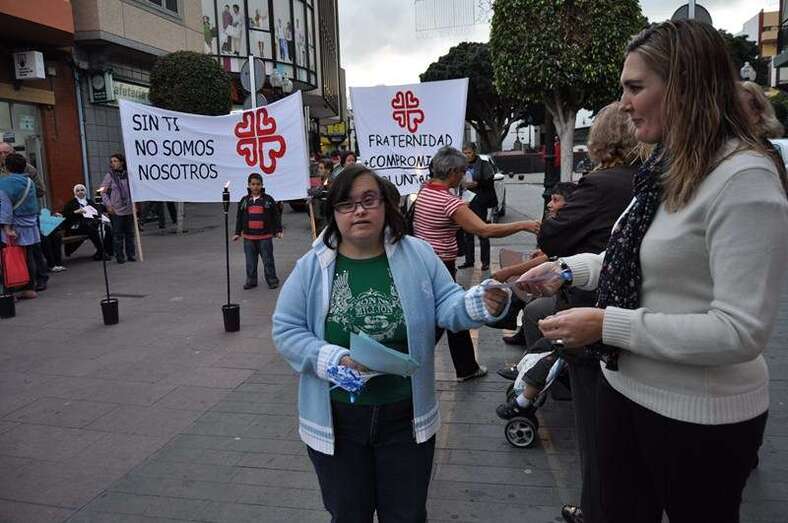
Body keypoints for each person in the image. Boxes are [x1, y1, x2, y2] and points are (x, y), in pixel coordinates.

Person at [519, 20, 788, 523]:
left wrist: (606, 324)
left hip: (701, 421)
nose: (623, 103)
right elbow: (633, 256)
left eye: (635, 87)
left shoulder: (745, 180)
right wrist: (567, 272)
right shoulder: (667, 165)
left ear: (685, 86)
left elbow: (740, 331)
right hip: (625, 392)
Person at [272, 164, 511, 522]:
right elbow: (286, 330)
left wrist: (481, 301)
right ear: (333, 213)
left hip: (405, 415)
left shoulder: (417, 255)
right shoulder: (313, 266)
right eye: (347, 204)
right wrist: (333, 359)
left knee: (407, 513)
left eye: (369, 199)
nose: (360, 211)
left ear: (386, 204)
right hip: (338, 419)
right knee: (348, 512)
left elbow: (447, 305)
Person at [498, 101, 638, 523]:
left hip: (594, 314)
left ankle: (594, 508)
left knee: (595, 428)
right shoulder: (646, 180)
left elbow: (558, 236)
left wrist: (556, 222)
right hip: (621, 307)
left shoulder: (600, 185)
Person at [413, 146, 540, 382]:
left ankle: (466, 367)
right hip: (440, 266)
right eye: (462, 171)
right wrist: (523, 225)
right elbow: (483, 229)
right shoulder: (448, 201)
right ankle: (414, 363)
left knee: (450, 318)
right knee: (445, 318)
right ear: (452, 171)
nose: (465, 176)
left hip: (423, 263)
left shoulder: (425, 190)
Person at [0, 153, 47, 298]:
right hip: (30, 224)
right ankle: (30, 288)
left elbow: (6, 209)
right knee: (29, 257)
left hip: (14, 226)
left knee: (8, 258)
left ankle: (10, 292)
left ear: (7, 167)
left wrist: (7, 227)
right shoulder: (29, 182)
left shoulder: (4, 184)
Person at [233, 173, 282, 289]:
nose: (255, 187)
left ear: (262, 185)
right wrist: (237, 233)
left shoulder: (268, 200)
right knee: (250, 261)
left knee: (268, 260)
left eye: (258, 184)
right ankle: (251, 280)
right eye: (253, 184)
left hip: (265, 237)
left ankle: (272, 280)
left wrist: (278, 230)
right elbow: (239, 218)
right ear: (249, 185)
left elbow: (276, 216)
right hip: (249, 238)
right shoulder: (244, 201)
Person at [458, 142, 497, 271]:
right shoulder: (460, 166)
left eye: (469, 152)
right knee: (467, 232)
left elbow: (489, 181)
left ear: (474, 152)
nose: (467, 155)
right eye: (465, 153)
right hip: (466, 201)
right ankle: (469, 260)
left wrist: (477, 184)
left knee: (482, 231)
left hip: (480, 201)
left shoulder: (483, 164)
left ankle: (485, 262)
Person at [100, 153, 136, 264]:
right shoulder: (110, 176)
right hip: (116, 209)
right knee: (118, 234)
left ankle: (131, 254)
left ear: (121, 162)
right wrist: (108, 205)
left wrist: (136, 206)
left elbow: (134, 190)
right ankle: (120, 256)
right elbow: (102, 192)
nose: (113, 163)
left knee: (130, 233)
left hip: (128, 208)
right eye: (112, 162)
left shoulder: (128, 175)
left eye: (115, 161)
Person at [62, 184, 113, 260]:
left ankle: (106, 251)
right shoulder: (71, 203)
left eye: (82, 190)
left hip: (90, 224)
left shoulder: (89, 201)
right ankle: (101, 252)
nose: (80, 192)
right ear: (75, 193)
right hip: (77, 226)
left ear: (85, 191)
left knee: (106, 227)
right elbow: (65, 215)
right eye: (78, 191)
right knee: (92, 229)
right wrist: (76, 212)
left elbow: (97, 210)